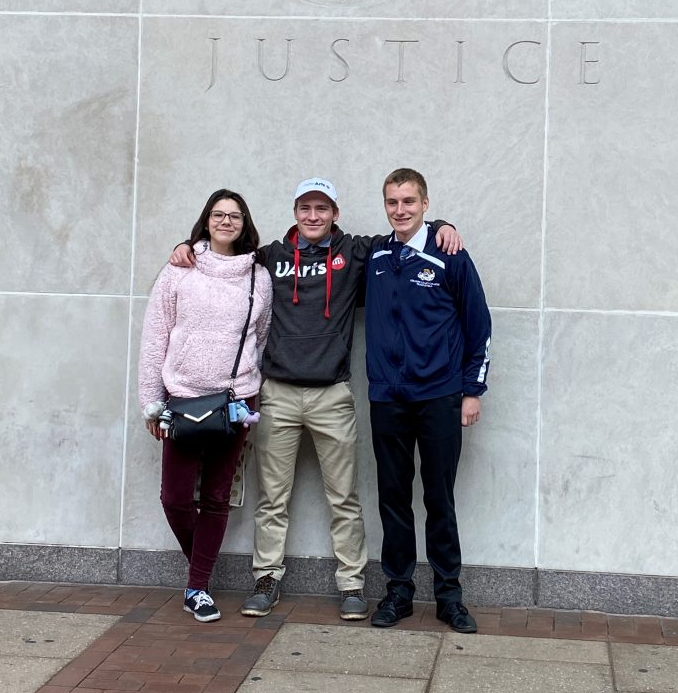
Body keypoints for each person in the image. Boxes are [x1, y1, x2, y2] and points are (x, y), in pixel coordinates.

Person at [169, 178, 461, 621]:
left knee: (343, 497)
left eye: (321, 208)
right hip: (278, 394)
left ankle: (352, 584)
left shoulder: (358, 252)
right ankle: (266, 579)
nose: (313, 216)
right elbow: (222, 253)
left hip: (332, 395)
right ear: (295, 212)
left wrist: (442, 223)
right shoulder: (269, 257)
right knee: (273, 497)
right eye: (305, 208)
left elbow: (406, 230)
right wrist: (187, 245)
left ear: (335, 214)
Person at [365, 168, 491, 634]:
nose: (401, 210)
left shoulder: (450, 254)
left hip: (439, 396)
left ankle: (449, 595)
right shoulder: (376, 254)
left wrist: (472, 390)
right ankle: (398, 591)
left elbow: (479, 326)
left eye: (409, 202)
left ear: (425, 203)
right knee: (393, 498)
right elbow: (322, 245)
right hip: (388, 398)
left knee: (439, 497)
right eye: (393, 202)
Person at [139, 189, 273, 623]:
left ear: (244, 223)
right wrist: (150, 402)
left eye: (235, 216)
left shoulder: (258, 277)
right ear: (206, 220)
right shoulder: (179, 269)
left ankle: (197, 586)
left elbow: (262, 337)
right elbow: (155, 337)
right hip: (181, 401)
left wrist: (250, 387)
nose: (226, 222)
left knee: (216, 497)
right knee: (175, 498)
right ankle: (201, 565)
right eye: (219, 214)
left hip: (235, 402)